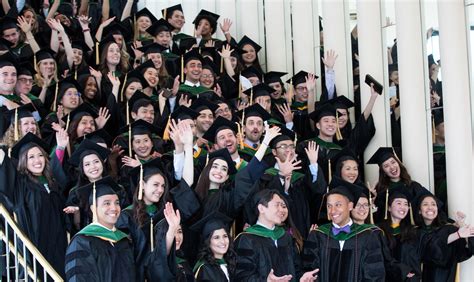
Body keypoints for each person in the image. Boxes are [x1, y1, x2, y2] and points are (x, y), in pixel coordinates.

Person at [9, 131, 69, 277]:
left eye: (40, 155)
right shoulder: (21, 184)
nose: (37, 160)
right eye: (31, 157)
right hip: (36, 243)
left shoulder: (51, 183)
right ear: (24, 161)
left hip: (57, 243)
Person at [303, 186, 386, 281]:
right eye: (329, 206)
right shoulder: (317, 235)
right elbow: (309, 271)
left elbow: (375, 275)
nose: (332, 211)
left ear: (350, 206)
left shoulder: (368, 236)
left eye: (338, 205)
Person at [234, 189, 319, 281]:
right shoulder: (246, 239)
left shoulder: (286, 237)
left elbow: (296, 269)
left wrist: (301, 277)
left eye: (283, 206)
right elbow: (242, 276)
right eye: (277, 205)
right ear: (261, 208)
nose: (282, 210)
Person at [414, 194, 474, 282]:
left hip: (447, 277)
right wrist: (457, 234)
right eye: (425, 204)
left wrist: (461, 224)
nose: (430, 207)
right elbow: (430, 250)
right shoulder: (415, 232)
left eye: (433, 204)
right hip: (425, 277)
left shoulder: (448, 229)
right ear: (419, 210)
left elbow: (465, 250)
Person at [367, 147, 433, 223]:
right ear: (383, 172)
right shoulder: (380, 191)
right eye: (386, 166)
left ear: (398, 163)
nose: (392, 167)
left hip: (411, 229)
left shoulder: (413, 186)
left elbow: (431, 202)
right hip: (388, 231)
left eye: (393, 162)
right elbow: (376, 217)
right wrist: (372, 202)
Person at [192, 212, 236, 281]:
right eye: (216, 237)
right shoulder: (205, 269)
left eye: (225, 236)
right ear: (208, 242)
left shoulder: (229, 263)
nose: (223, 241)